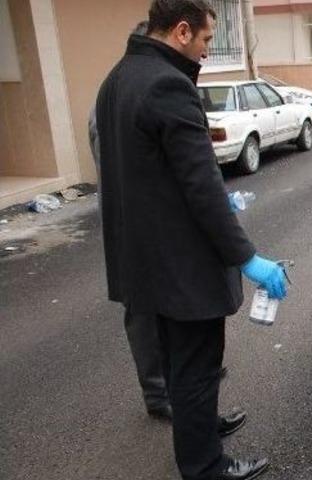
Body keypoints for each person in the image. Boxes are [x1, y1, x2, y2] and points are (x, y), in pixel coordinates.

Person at [95, 1, 285, 479]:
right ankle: (204, 467)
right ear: (181, 31)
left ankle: (199, 427)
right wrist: (248, 258)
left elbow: (140, 172)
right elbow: (200, 187)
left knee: (179, 365)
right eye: (204, 40)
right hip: (181, 265)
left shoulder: (116, 78)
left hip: (142, 259)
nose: (205, 52)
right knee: (197, 366)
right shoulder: (168, 85)